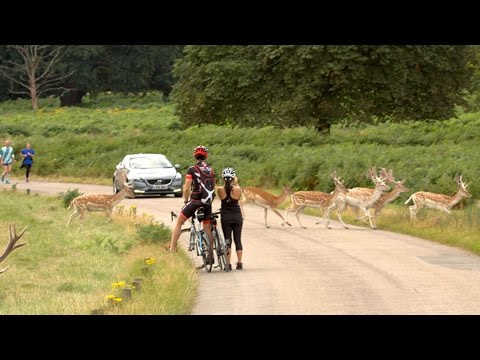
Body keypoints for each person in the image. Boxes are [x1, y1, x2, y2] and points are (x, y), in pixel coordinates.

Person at [169, 145, 216, 265]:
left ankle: (172, 249)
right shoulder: (211, 169)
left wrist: (186, 200)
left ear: (195, 155)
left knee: (179, 221)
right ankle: (210, 254)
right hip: (207, 202)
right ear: (206, 156)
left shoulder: (192, 169)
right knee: (207, 228)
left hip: (195, 201)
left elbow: (186, 188)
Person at [217, 167, 244, 270]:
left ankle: (228, 263)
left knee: (227, 240)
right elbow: (237, 197)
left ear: (223, 178)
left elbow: (223, 199)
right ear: (233, 178)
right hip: (237, 216)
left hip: (226, 216)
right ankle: (239, 262)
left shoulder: (220, 189)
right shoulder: (238, 189)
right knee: (238, 239)